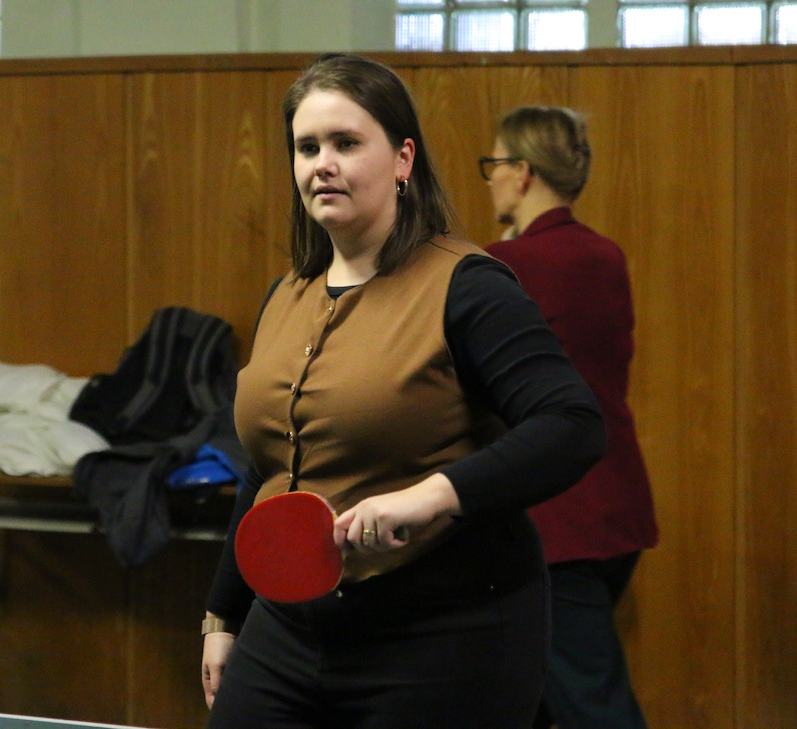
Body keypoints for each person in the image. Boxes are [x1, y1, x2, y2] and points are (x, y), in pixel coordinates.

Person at [199, 54, 607, 729]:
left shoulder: (468, 286)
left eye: (346, 143)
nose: (322, 164)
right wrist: (224, 613)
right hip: (290, 627)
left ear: (402, 159)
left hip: (443, 632)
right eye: (307, 147)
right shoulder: (287, 294)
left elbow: (572, 423)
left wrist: (433, 496)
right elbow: (269, 468)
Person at [480, 106, 659, 729]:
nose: (491, 178)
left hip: (555, 520)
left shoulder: (509, 265)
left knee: (593, 706)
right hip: (615, 506)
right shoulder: (605, 256)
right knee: (523, 697)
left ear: (524, 172)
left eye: (495, 164)